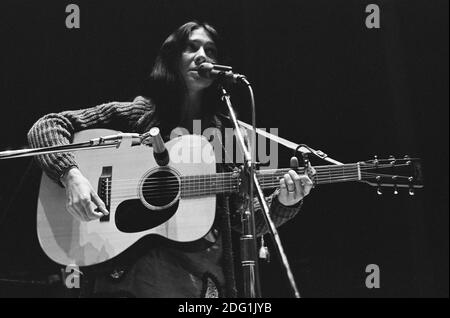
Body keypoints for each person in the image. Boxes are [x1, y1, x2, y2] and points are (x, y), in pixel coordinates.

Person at [27, 21, 314, 298]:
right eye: (192, 47)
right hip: (126, 279)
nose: (202, 56)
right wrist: (71, 175)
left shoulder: (228, 135)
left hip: (196, 282)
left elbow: (243, 218)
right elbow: (48, 126)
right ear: (172, 57)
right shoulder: (139, 114)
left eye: (211, 51)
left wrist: (283, 203)